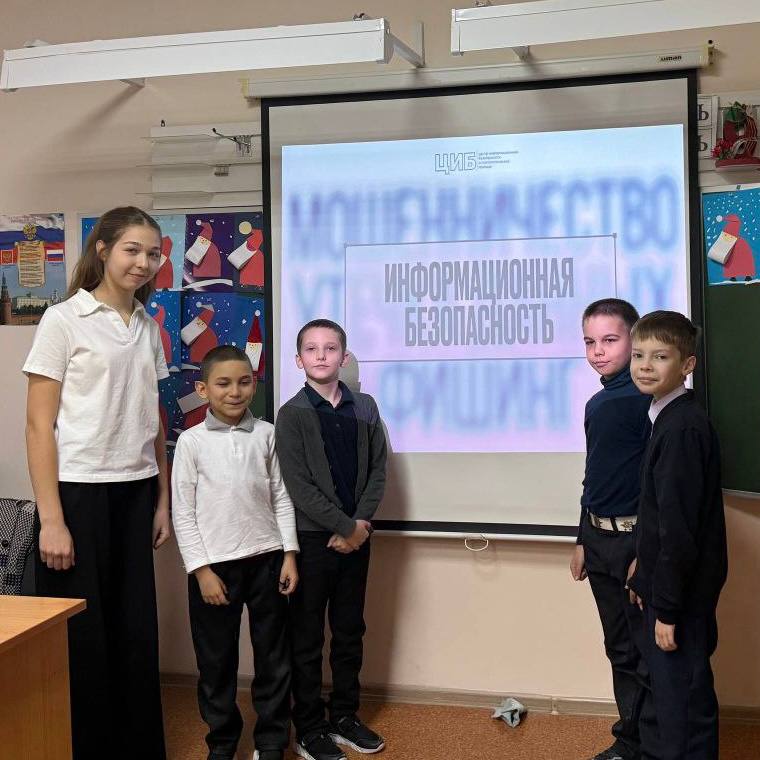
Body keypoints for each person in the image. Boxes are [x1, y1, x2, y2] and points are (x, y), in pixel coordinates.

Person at [24, 206, 171, 759]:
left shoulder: (148, 326)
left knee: (134, 632)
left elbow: (154, 420)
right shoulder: (63, 319)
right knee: (82, 637)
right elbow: (38, 425)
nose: (143, 262)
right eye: (133, 250)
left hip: (136, 490)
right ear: (103, 249)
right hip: (78, 494)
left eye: (153, 253)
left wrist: (162, 501)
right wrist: (52, 520)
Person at [172, 345, 298, 760]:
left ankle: (272, 741)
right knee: (216, 661)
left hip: (268, 560)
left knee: (273, 658)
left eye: (244, 382)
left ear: (254, 384)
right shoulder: (190, 442)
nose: (235, 391)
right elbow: (183, 512)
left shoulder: (267, 434)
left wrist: (290, 554)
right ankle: (223, 742)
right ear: (203, 389)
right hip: (215, 569)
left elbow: (281, 496)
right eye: (223, 383)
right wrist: (201, 570)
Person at [275, 319, 387, 760]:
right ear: (298, 360)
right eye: (311, 348)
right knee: (306, 637)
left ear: (344, 356)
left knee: (349, 630)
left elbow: (378, 469)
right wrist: (344, 528)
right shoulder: (291, 415)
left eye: (330, 347)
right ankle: (309, 727)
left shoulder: (365, 407)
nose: (321, 355)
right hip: (312, 543)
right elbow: (299, 486)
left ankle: (344, 715)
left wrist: (359, 524)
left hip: (357, 539)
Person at [627, 311, 727, 760]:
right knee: (672, 702)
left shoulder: (683, 429)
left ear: (687, 365)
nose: (645, 366)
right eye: (638, 355)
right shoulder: (664, 417)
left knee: (684, 707)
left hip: (681, 599)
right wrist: (643, 571)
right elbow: (658, 517)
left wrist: (666, 608)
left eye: (660, 356)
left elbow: (679, 530)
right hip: (670, 588)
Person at [570, 298, 651, 760]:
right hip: (599, 540)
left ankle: (648, 744)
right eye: (589, 342)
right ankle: (629, 741)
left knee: (644, 651)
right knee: (619, 647)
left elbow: (655, 488)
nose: (598, 351)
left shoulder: (646, 400)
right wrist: (583, 537)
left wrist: (645, 551)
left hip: (634, 543)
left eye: (609, 340)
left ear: (634, 340)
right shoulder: (598, 402)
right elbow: (595, 476)